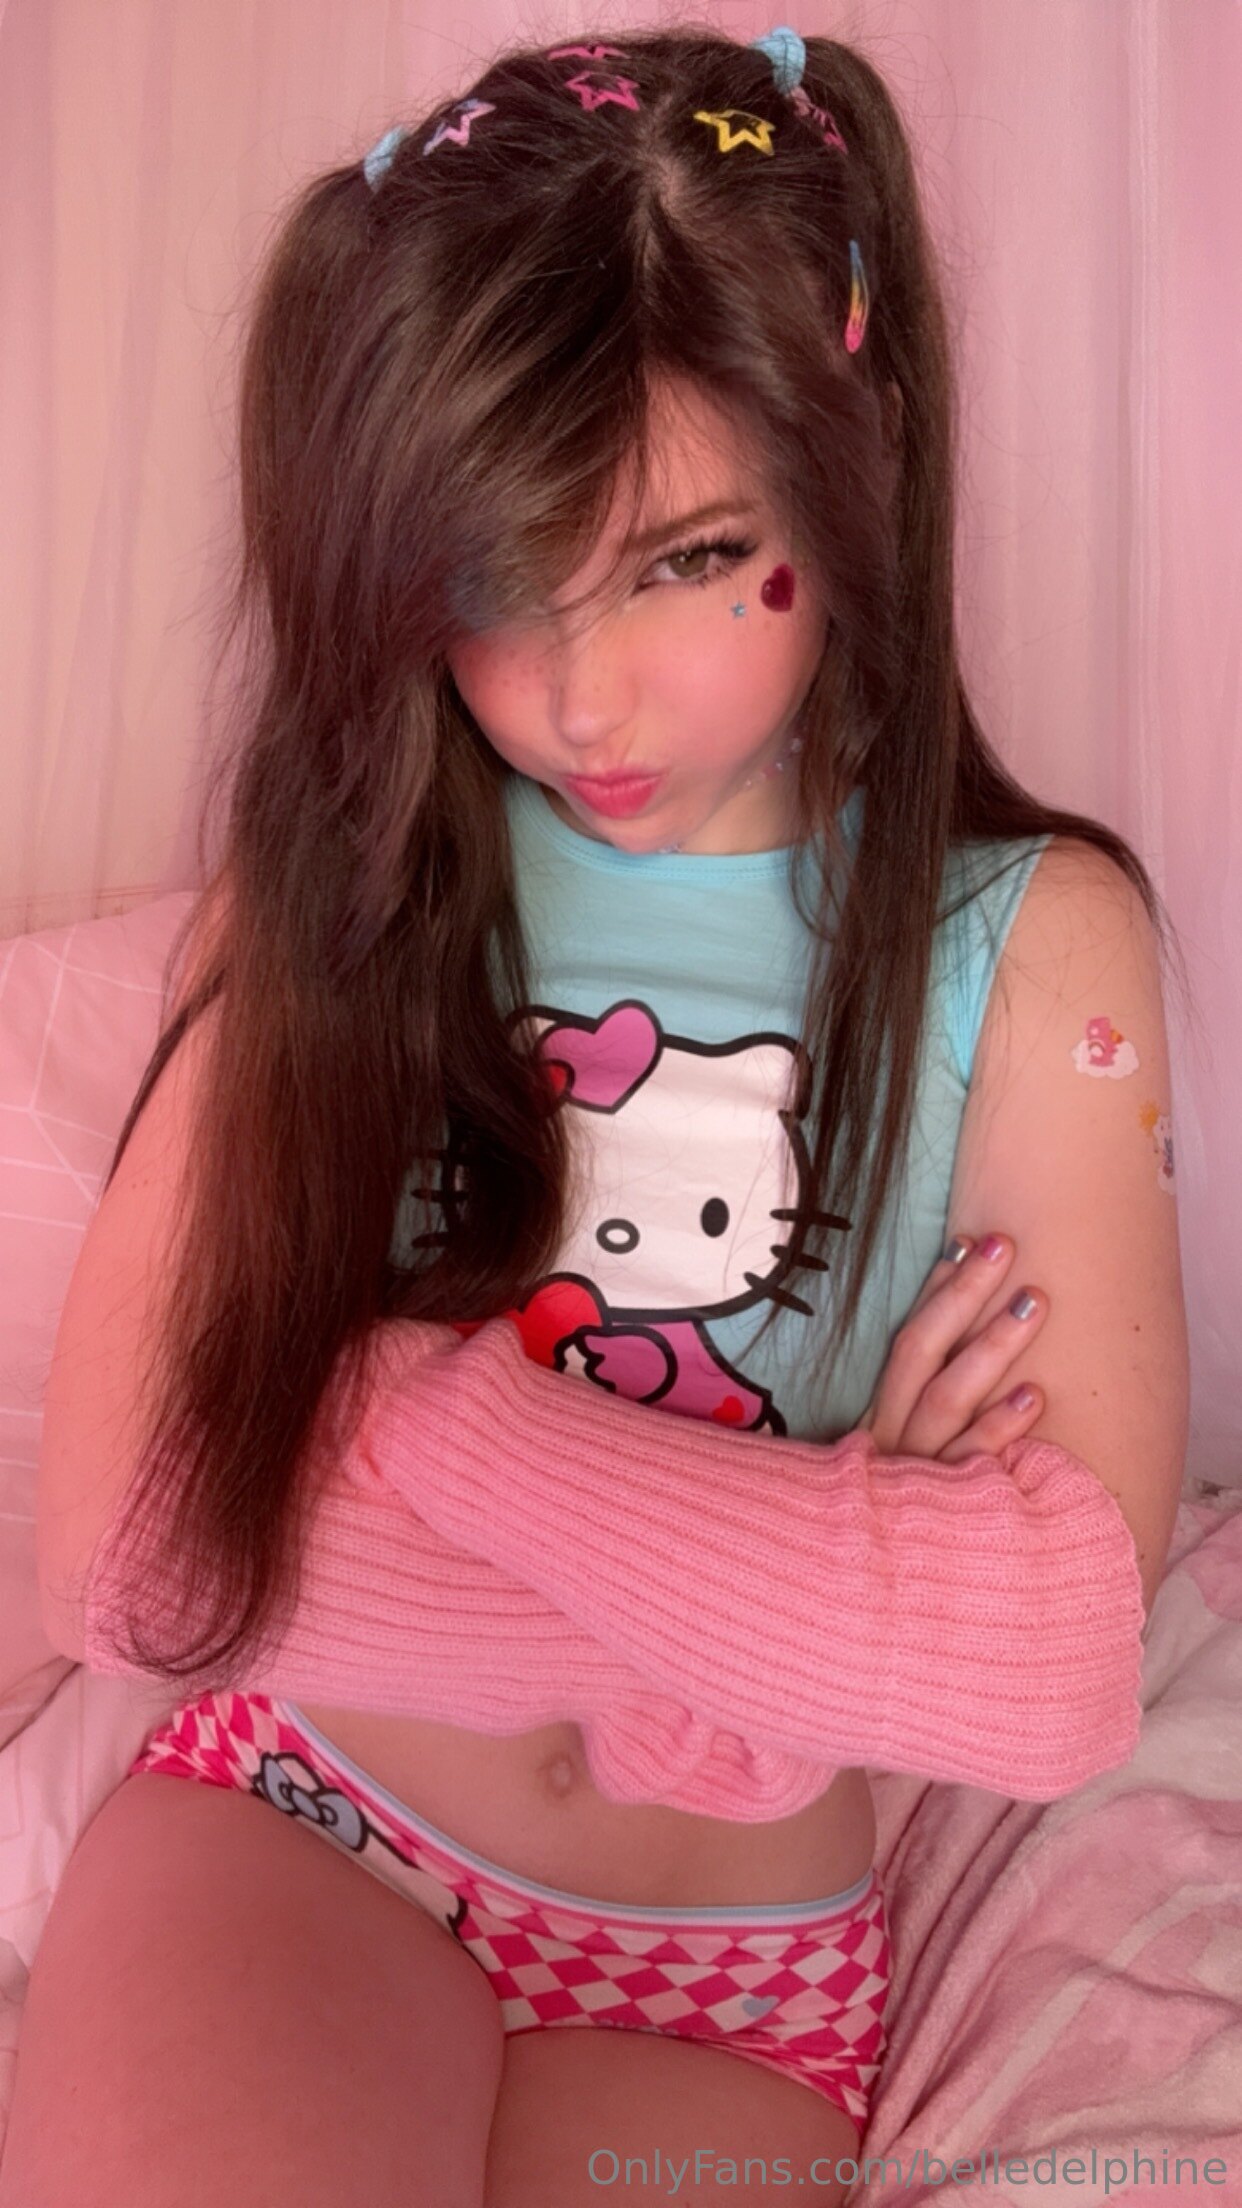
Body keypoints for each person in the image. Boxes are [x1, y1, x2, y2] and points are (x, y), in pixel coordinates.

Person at [8, 26, 1188, 2208]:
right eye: (492, 582)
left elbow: (1044, 1670)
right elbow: (136, 1557)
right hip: (305, 1828)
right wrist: (807, 1598)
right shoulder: (342, 890)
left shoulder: (1031, 947)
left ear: (857, 456)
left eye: (679, 557)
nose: (575, 695)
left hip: (720, 1979)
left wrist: (403, 1411)